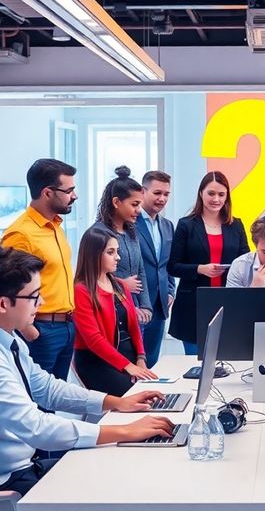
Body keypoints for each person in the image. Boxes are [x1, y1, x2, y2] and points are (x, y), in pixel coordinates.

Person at [0, 246, 174, 498]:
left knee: (109, 471)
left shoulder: (2, 335)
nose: (41, 303)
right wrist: (125, 431)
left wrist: (116, 403)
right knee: (105, 489)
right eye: (34, 296)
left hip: (11, 469)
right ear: (2, 304)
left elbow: (45, 388)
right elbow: (35, 427)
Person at [0, 158, 78, 380]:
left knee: (58, 394)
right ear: (47, 193)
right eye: (69, 190)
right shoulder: (21, 234)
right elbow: (10, 287)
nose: (74, 195)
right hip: (41, 329)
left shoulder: (54, 225)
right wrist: (28, 330)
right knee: (39, 403)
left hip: (65, 326)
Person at [168, 171, 249, 356]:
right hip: (192, 306)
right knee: (195, 364)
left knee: (226, 363)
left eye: (221, 194)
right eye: (211, 193)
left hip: (227, 303)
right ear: (201, 194)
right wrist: (200, 269)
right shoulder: (186, 225)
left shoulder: (236, 225)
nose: (216, 199)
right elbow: (172, 266)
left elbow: (246, 261)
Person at [72, 225, 158, 396]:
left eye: (117, 251)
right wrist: (128, 367)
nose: (117, 257)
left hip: (129, 358)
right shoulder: (80, 290)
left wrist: (141, 359)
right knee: (139, 396)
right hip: (98, 361)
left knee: (157, 391)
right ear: (93, 255)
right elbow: (94, 340)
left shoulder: (120, 285)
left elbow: (134, 327)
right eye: (110, 252)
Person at [96, 166, 152, 328]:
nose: (139, 210)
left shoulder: (132, 232)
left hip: (135, 313)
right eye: (134, 204)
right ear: (116, 202)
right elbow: (93, 277)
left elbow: (140, 271)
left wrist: (145, 306)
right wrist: (122, 285)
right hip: (111, 314)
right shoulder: (98, 234)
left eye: (140, 204)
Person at [136, 170, 176, 368]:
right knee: (134, 362)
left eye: (166, 194)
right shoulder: (128, 223)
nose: (162, 199)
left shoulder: (168, 226)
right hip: (135, 304)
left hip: (160, 305)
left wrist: (170, 290)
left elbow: (167, 263)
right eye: (157, 193)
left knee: (152, 362)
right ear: (143, 191)